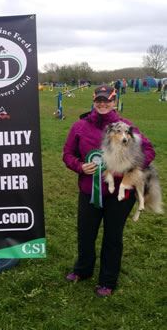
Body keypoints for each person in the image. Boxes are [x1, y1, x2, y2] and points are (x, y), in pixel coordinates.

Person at [62, 85, 155, 297]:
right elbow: (67, 154)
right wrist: (79, 166)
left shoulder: (127, 126)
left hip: (120, 194)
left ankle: (107, 281)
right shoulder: (79, 126)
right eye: (99, 100)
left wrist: (131, 165)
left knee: (113, 237)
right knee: (85, 234)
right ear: (94, 101)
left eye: (108, 100)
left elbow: (149, 150)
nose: (103, 104)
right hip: (89, 190)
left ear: (115, 101)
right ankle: (82, 270)